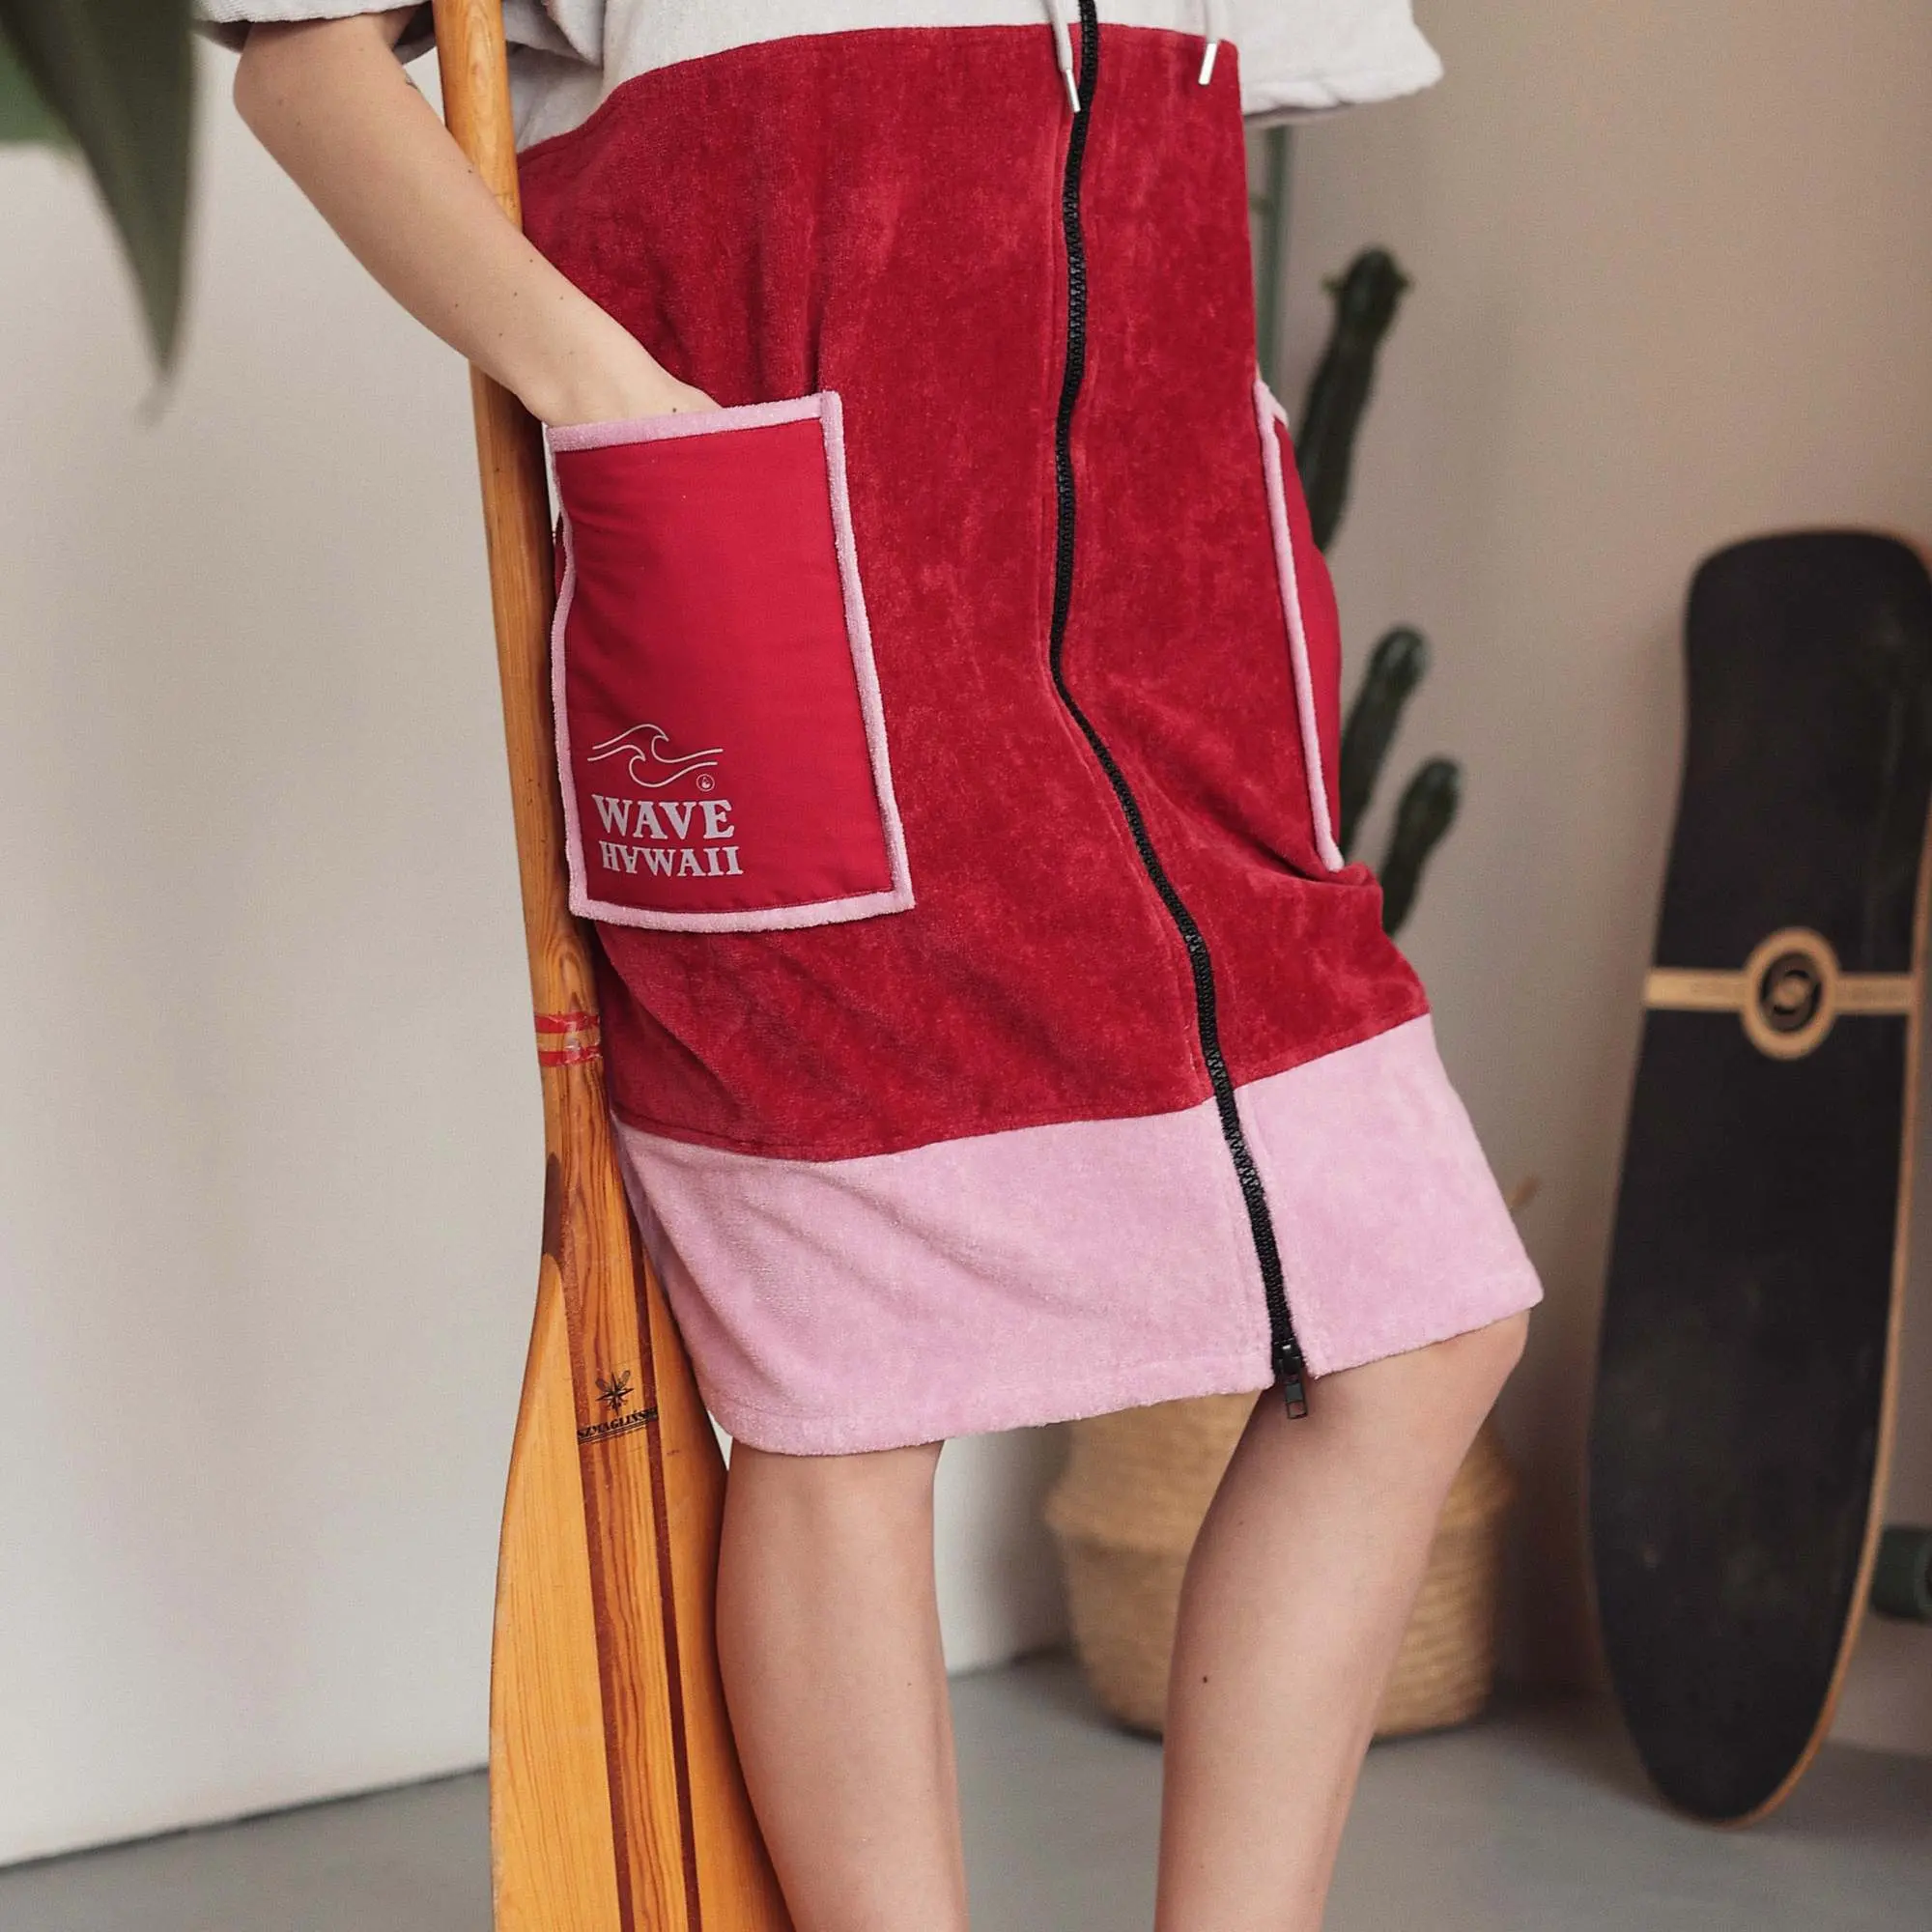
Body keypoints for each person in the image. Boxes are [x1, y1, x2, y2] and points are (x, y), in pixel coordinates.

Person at [210, 5, 1539, 1926]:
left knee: (1417, 1325)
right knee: (845, 1394)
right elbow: (302, 59)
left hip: (1167, 657)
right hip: (804, 613)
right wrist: (606, 394)